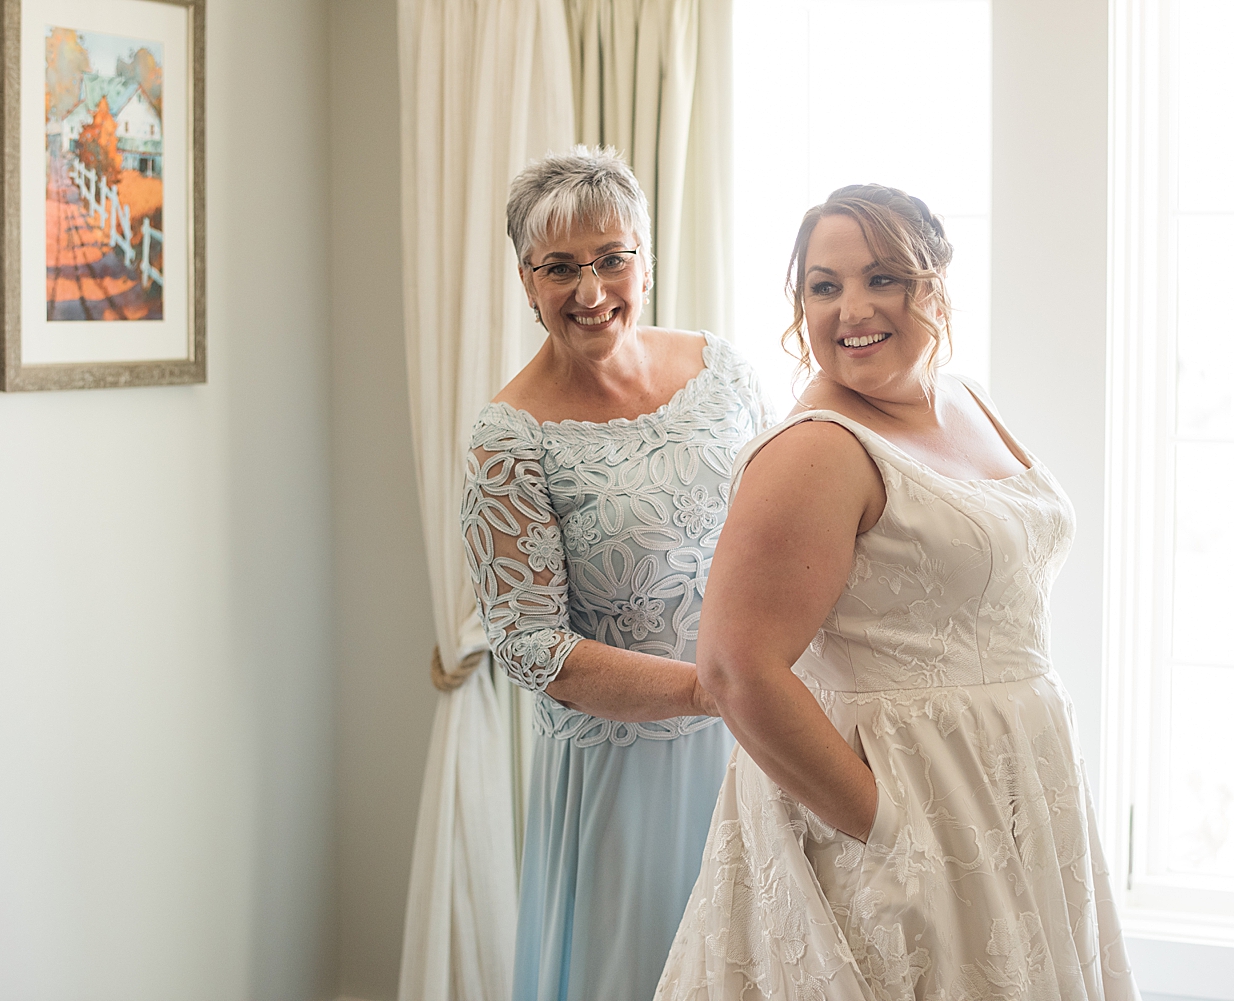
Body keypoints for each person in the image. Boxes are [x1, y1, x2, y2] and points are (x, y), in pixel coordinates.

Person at [656, 185, 1138, 1000]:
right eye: (824, 285)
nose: (852, 308)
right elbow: (736, 668)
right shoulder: (816, 451)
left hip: (1010, 788)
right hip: (905, 809)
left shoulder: (963, 396)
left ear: (935, 284)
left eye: (882, 278)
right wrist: (886, 828)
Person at [462, 146, 773, 1001]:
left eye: (610, 258)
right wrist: (714, 691)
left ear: (645, 257)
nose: (591, 291)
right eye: (560, 268)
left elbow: (786, 522)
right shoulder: (508, 438)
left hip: (757, 740)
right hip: (623, 772)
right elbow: (530, 646)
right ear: (527, 283)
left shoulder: (724, 372)